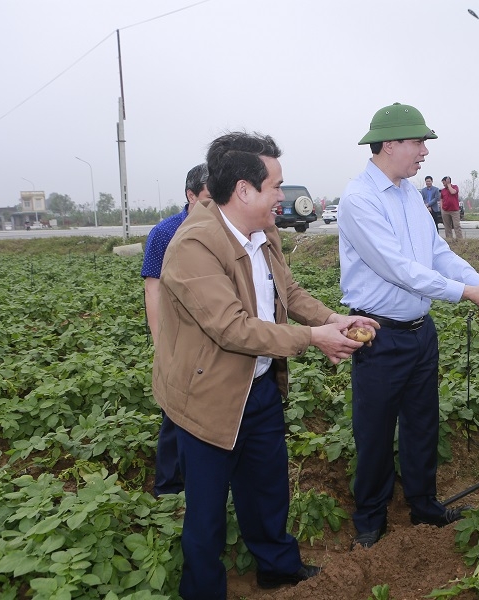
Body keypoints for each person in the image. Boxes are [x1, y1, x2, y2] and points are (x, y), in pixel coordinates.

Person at [152, 131, 378, 598]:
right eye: (276, 185)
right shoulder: (192, 246)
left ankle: (276, 566)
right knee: (206, 515)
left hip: (257, 387)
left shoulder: (263, 231)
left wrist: (333, 318)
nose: (282, 196)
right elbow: (233, 328)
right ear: (243, 190)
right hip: (207, 399)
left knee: (267, 490)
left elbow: (287, 292)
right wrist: (314, 338)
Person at [338, 102, 479, 550]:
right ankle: (371, 517)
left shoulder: (410, 195)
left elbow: (435, 252)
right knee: (374, 430)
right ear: (390, 144)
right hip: (378, 334)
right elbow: (397, 267)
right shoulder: (360, 199)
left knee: (422, 423)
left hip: (420, 331)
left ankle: (422, 503)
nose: (424, 152)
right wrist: (466, 294)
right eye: (418, 142)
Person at [141, 163, 211, 497]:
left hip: (217, 334)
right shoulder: (166, 233)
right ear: (191, 195)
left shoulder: (227, 229)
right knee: (176, 410)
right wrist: (161, 342)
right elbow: (153, 290)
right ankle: (168, 488)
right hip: (180, 335)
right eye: (208, 197)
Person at [440, 175, 462, 240]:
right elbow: (441, 199)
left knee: (456, 226)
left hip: (454, 210)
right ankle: (449, 240)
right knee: (447, 227)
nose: (443, 184)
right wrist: (441, 208)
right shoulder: (443, 190)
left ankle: (460, 240)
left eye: (444, 183)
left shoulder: (455, 187)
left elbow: (453, 192)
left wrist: (449, 185)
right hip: (445, 211)